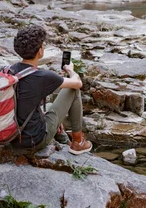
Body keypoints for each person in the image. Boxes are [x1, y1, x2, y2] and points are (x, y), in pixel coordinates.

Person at [9, 24, 92, 155]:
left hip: (12, 137)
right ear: (39, 51)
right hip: (33, 141)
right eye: (42, 45)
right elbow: (77, 84)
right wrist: (71, 71)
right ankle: (78, 142)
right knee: (72, 90)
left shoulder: (11, 70)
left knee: (49, 105)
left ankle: (63, 139)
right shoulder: (42, 76)